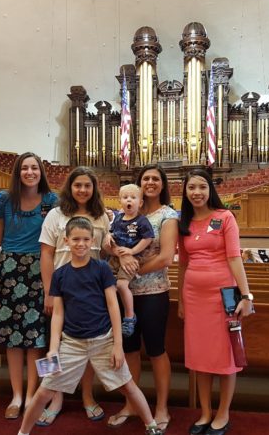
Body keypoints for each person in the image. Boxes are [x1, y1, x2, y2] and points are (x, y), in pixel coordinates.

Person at [17, 217, 163, 435]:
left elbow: (114, 306)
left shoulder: (101, 268)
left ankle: (151, 426)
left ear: (93, 240)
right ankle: (23, 432)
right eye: (75, 239)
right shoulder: (59, 274)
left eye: (85, 239)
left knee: (128, 386)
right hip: (71, 343)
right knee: (44, 391)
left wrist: (117, 344)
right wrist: (53, 347)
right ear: (66, 241)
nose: (81, 244)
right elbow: (57, 313)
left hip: (103, 340)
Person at [0, 152, 58, 419]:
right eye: (24, 168)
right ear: (18, 172)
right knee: (13, 339)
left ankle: (33, 394)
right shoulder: (3, 199)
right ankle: (16, 395)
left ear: (41, 171)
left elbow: (57, 240)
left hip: (40, 269)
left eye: (34, 167)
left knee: (37, 338)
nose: (30, 172)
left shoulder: (51, 199)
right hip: (10, 269)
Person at [177, 169, 253, 435]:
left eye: (201, 187)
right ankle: (205, 411)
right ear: (185, 192)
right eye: (191, 188)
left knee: (225, 355)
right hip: (194, 298)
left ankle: (223, 412)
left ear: (210, 190)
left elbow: (234, 258)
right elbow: (183, 264)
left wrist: (246, 296)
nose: (196, 192)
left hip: (223, 297)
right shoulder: (183, 222)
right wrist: (181, 300)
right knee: (200, 356)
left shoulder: (224, 217)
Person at [36, 166, 110, 425]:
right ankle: (55, 397)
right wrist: (48, 292)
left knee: (88, 345)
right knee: (54, 345)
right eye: (77, 185)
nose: (82, 190)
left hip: (91, 293)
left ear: (93, 189)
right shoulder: (56, 215)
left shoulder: (101, 216)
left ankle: (88, 396)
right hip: (61, 290)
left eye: (87, 185)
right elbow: (46, 254)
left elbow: (105, 251)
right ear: (70, 187)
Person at [108, 164, 178, 433]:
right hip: (124, 294)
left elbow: (165, 257)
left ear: (162, 185)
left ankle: (161, 407)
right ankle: (131, 404)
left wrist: (131, 269)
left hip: (153, 292)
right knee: (129, 350)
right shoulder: (125, 212)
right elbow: (112, 243)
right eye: (146, 178)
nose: (150, 183)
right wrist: (115, 251)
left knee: (156, 350)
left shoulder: (167, 216)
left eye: (155, 179)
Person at [105, 183, 154, 337]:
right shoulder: (118, 218)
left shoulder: (141, 220)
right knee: (105, 283)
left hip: (132, 259)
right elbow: (111, 232)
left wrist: (132, 251)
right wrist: (108, 235)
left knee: (121, 284)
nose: (129, 200)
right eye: (125, 197)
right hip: (115, 257)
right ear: (120, 201)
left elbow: (148, 238)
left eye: (133, 198)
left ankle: (129, 316)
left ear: (140, 203)